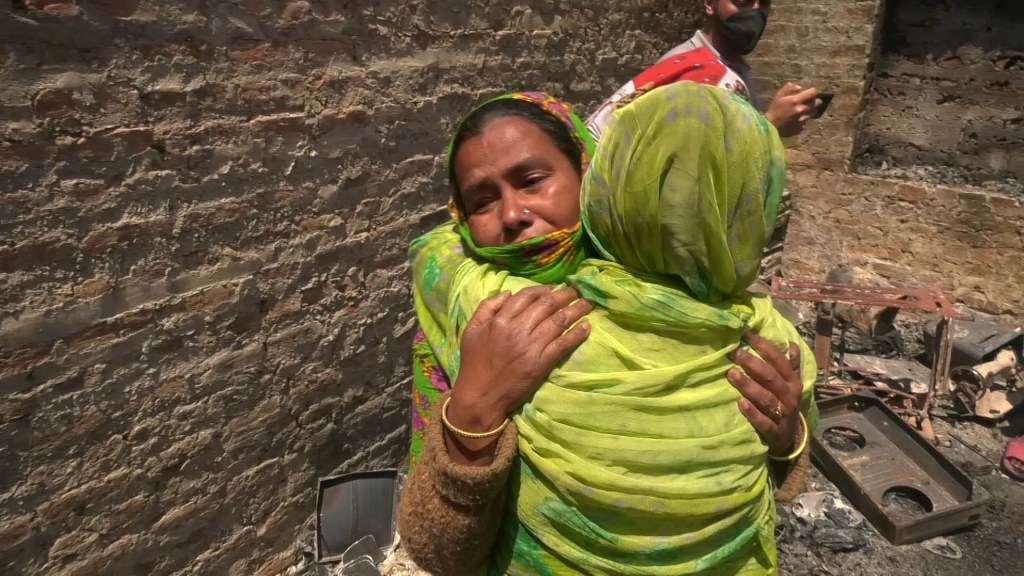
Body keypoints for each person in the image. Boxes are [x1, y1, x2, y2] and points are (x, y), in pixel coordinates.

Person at [399, 84, 817, 574]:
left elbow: (764, 481)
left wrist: (785, 435)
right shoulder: (469, 323)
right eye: (482, 200)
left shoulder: (708, 310)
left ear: (592, 177)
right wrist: (472, 415)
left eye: (532, 180)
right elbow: (440, 555)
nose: (513, 215)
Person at [588, 0, 821, 140]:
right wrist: (770, 126)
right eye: (742, 1)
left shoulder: (734, 67)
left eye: (764, 4)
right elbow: (685, 165)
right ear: (710, 4)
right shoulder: (690, 72)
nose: (755, 13)